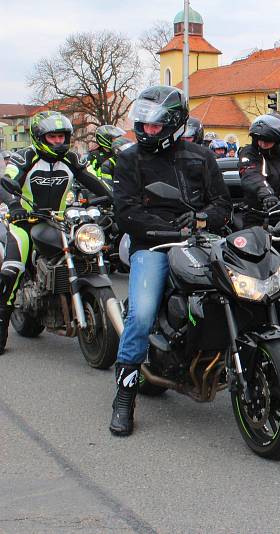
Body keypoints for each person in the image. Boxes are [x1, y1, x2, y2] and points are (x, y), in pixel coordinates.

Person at [109, 85, 231, 436]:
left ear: (174, 123)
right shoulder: (130, 159)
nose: (148, 131)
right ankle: (124, 395)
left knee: (238, 288)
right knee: (142, 313)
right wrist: (165, 229)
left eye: (155, 125)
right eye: (143, 125)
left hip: (201, 240)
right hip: (153, 246)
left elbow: (223, 205)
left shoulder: (201, 157)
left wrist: (201, 220)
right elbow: (126, 212)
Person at [0, 111, 111, 354]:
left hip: (59, 221)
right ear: (40, 137)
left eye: (62, 137)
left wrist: (115, 200)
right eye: (53, 137)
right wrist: (15, 206)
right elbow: (6, 183)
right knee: (12, 270)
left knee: (86, 249)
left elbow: (93, 181)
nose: (59, 142)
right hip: (25, 222)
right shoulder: (23, 158)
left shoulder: (72, 159)